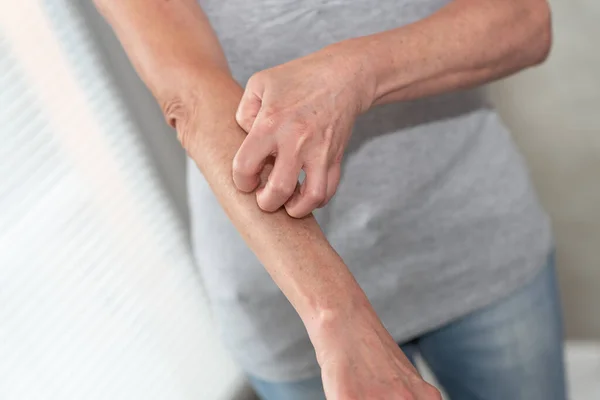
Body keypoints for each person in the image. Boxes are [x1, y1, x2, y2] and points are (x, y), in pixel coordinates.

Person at [95, 0, 567, 399]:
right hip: (292, 298)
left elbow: (524, 20)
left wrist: (354, 74)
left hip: (473, 235)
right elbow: (190, 94)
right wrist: (332, 312)